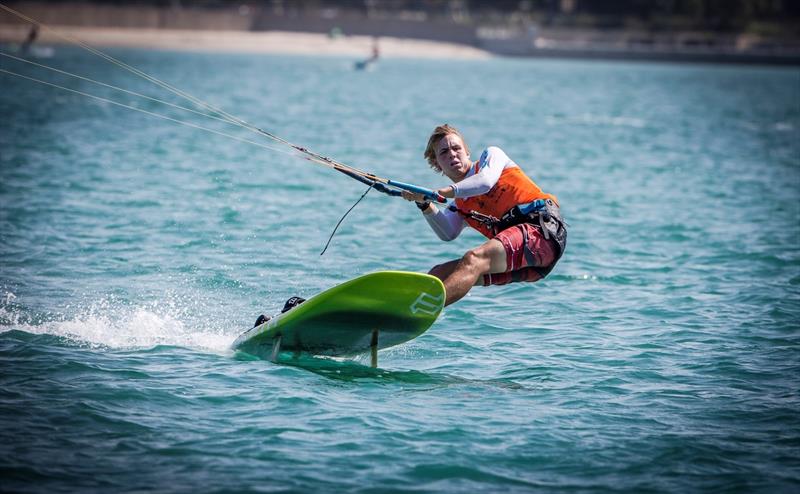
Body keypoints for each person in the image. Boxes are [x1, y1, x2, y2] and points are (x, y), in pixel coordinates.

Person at [402, 124, 567, 307]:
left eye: (456, 148)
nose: (452, 154)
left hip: (542, 234)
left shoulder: (492, 156)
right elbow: (448, 232)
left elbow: (485, 182)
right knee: (439, 275)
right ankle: (401, 308)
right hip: (532, 265)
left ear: (467, 152)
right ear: (436, 164)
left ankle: (423, 310)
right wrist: (424, 203)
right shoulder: (460, 204)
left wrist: (438, 193)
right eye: (444, 152)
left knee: (473, 259)